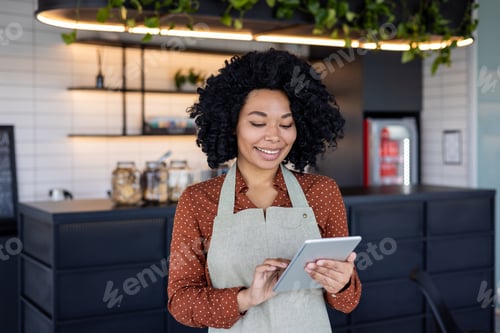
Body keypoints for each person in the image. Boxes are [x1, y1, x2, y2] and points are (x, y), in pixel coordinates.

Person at [167, 48, 361, 333]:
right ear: (231, 125)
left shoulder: (322, 192)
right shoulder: (198, 201)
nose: (274, 136)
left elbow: (347, 302)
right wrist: (246, 298)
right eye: (258, 122)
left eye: (286, 124)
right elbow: (180, 301)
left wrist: (343, 282)